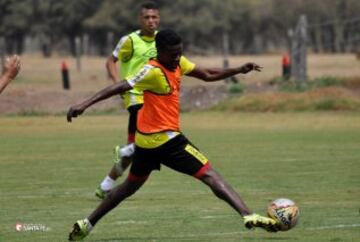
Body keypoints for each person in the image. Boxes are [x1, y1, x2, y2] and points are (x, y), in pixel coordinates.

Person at [67, 29, 279, 241]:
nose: (177, 57)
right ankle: (248, 215)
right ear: (159, 51)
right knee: (209, 174)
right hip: (168, 140)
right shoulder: (152, 71)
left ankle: (87, 224)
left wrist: (238, 70)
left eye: (179, 52)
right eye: (173, 53)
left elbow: (207, 75)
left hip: (145, 143)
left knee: (128, 187)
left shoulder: (177, 63)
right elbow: (120, 86)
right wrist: (84, 104)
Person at [95, 1, 161, 199]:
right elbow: (110, 61)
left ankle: (105, 185)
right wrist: (118, 84)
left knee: (135, 150)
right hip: (135, 96)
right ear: (140, 20)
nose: (151, 21)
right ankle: (126, 150)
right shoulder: (129, 40)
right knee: (150, 140)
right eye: (146, 17)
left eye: (154, 17)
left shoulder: (163, 40)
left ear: (159, 19)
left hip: (156, 99)